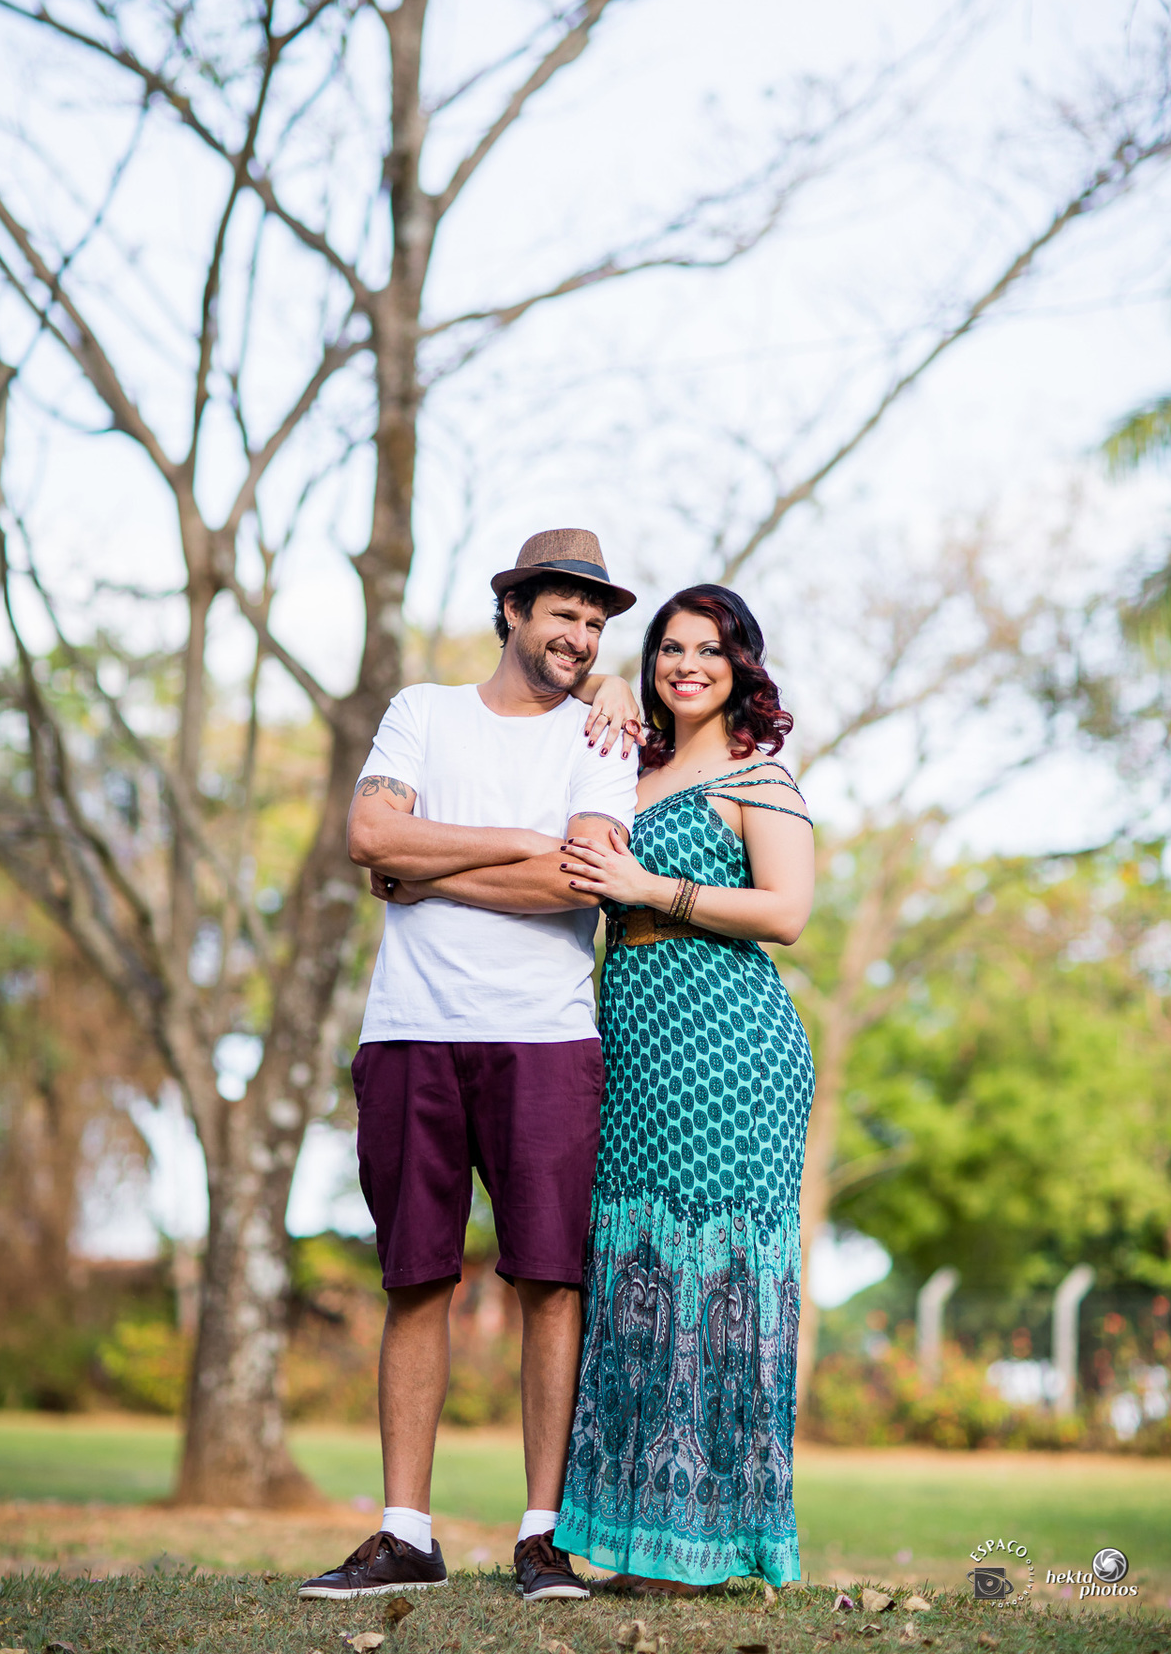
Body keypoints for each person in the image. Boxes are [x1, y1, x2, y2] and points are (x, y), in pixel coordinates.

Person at [298, 529, 643, 1605]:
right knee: (416, 1278)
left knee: (550, 1280)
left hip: (547, 1038)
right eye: (563, 615)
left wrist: (431, 863)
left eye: (595, 623)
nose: (579, 638)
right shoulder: (422, 712)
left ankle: (543, 1538)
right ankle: (407, 1532)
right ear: (512, 612)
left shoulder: (603, 735)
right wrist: (508, 846)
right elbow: (367, 836)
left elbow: (582, 879)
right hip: (411, 1032)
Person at [552, 584, 815, 1593]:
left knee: (715, 1283)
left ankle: (701, 1545)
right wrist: (610, 676)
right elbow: (569, 719)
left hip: (732, 1046)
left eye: (708, 649)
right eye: (668, 648)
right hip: (636, 1038)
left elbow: (787, 910)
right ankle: (627, 1537)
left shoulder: (758, 774)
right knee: (638, 1272)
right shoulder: (633, 757)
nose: (686, 664)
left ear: (741, 663)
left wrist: (650, 889)